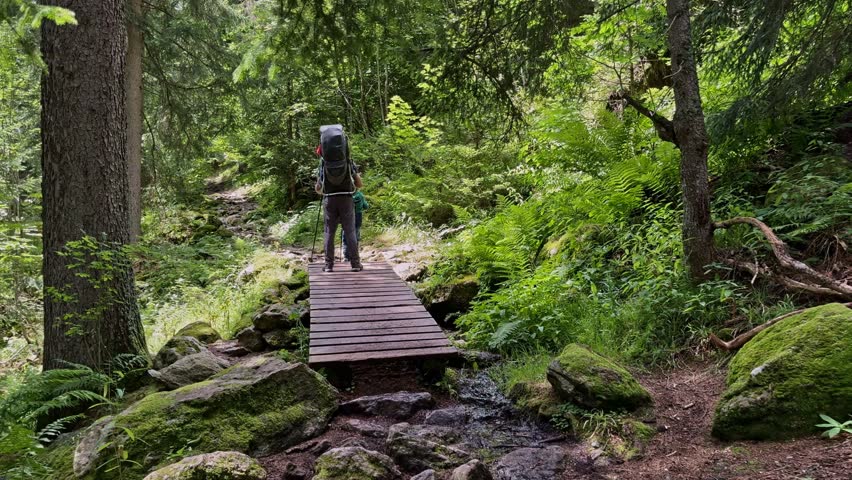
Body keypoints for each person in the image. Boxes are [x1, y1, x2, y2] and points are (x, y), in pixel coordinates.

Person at [314, 124, 363, 272]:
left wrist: (321, 190)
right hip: (347, 199)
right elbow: (359, 184)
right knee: (350, 231)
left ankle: (329, 266)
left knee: (329, 232)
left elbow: (318, 188)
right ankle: (355, 264)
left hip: (330, 200)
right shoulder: (348, 162)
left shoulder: (323, 164)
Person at [343, 190, 368, 262]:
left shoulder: (345, 195)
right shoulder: (360, 194)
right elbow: (366, 206)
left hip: (347, 216)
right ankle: (354, 256)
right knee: (356, 236)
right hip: (358, 216)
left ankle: (346, 257)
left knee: (345, 237)